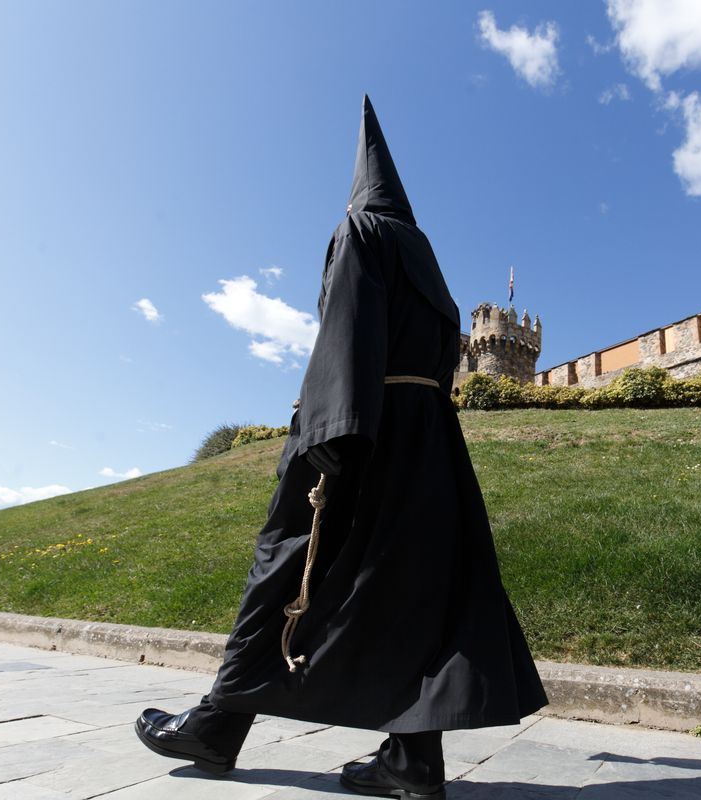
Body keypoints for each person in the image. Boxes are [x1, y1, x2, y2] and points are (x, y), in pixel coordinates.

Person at [135, 95, 547, 799]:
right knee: (415, 589)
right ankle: (412, 761)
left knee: (285, 567)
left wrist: (330, 429)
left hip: (363, 429)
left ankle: (216, 724)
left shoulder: (360, 230)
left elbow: (347, 324)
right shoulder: (431, 266)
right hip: (429, 444)